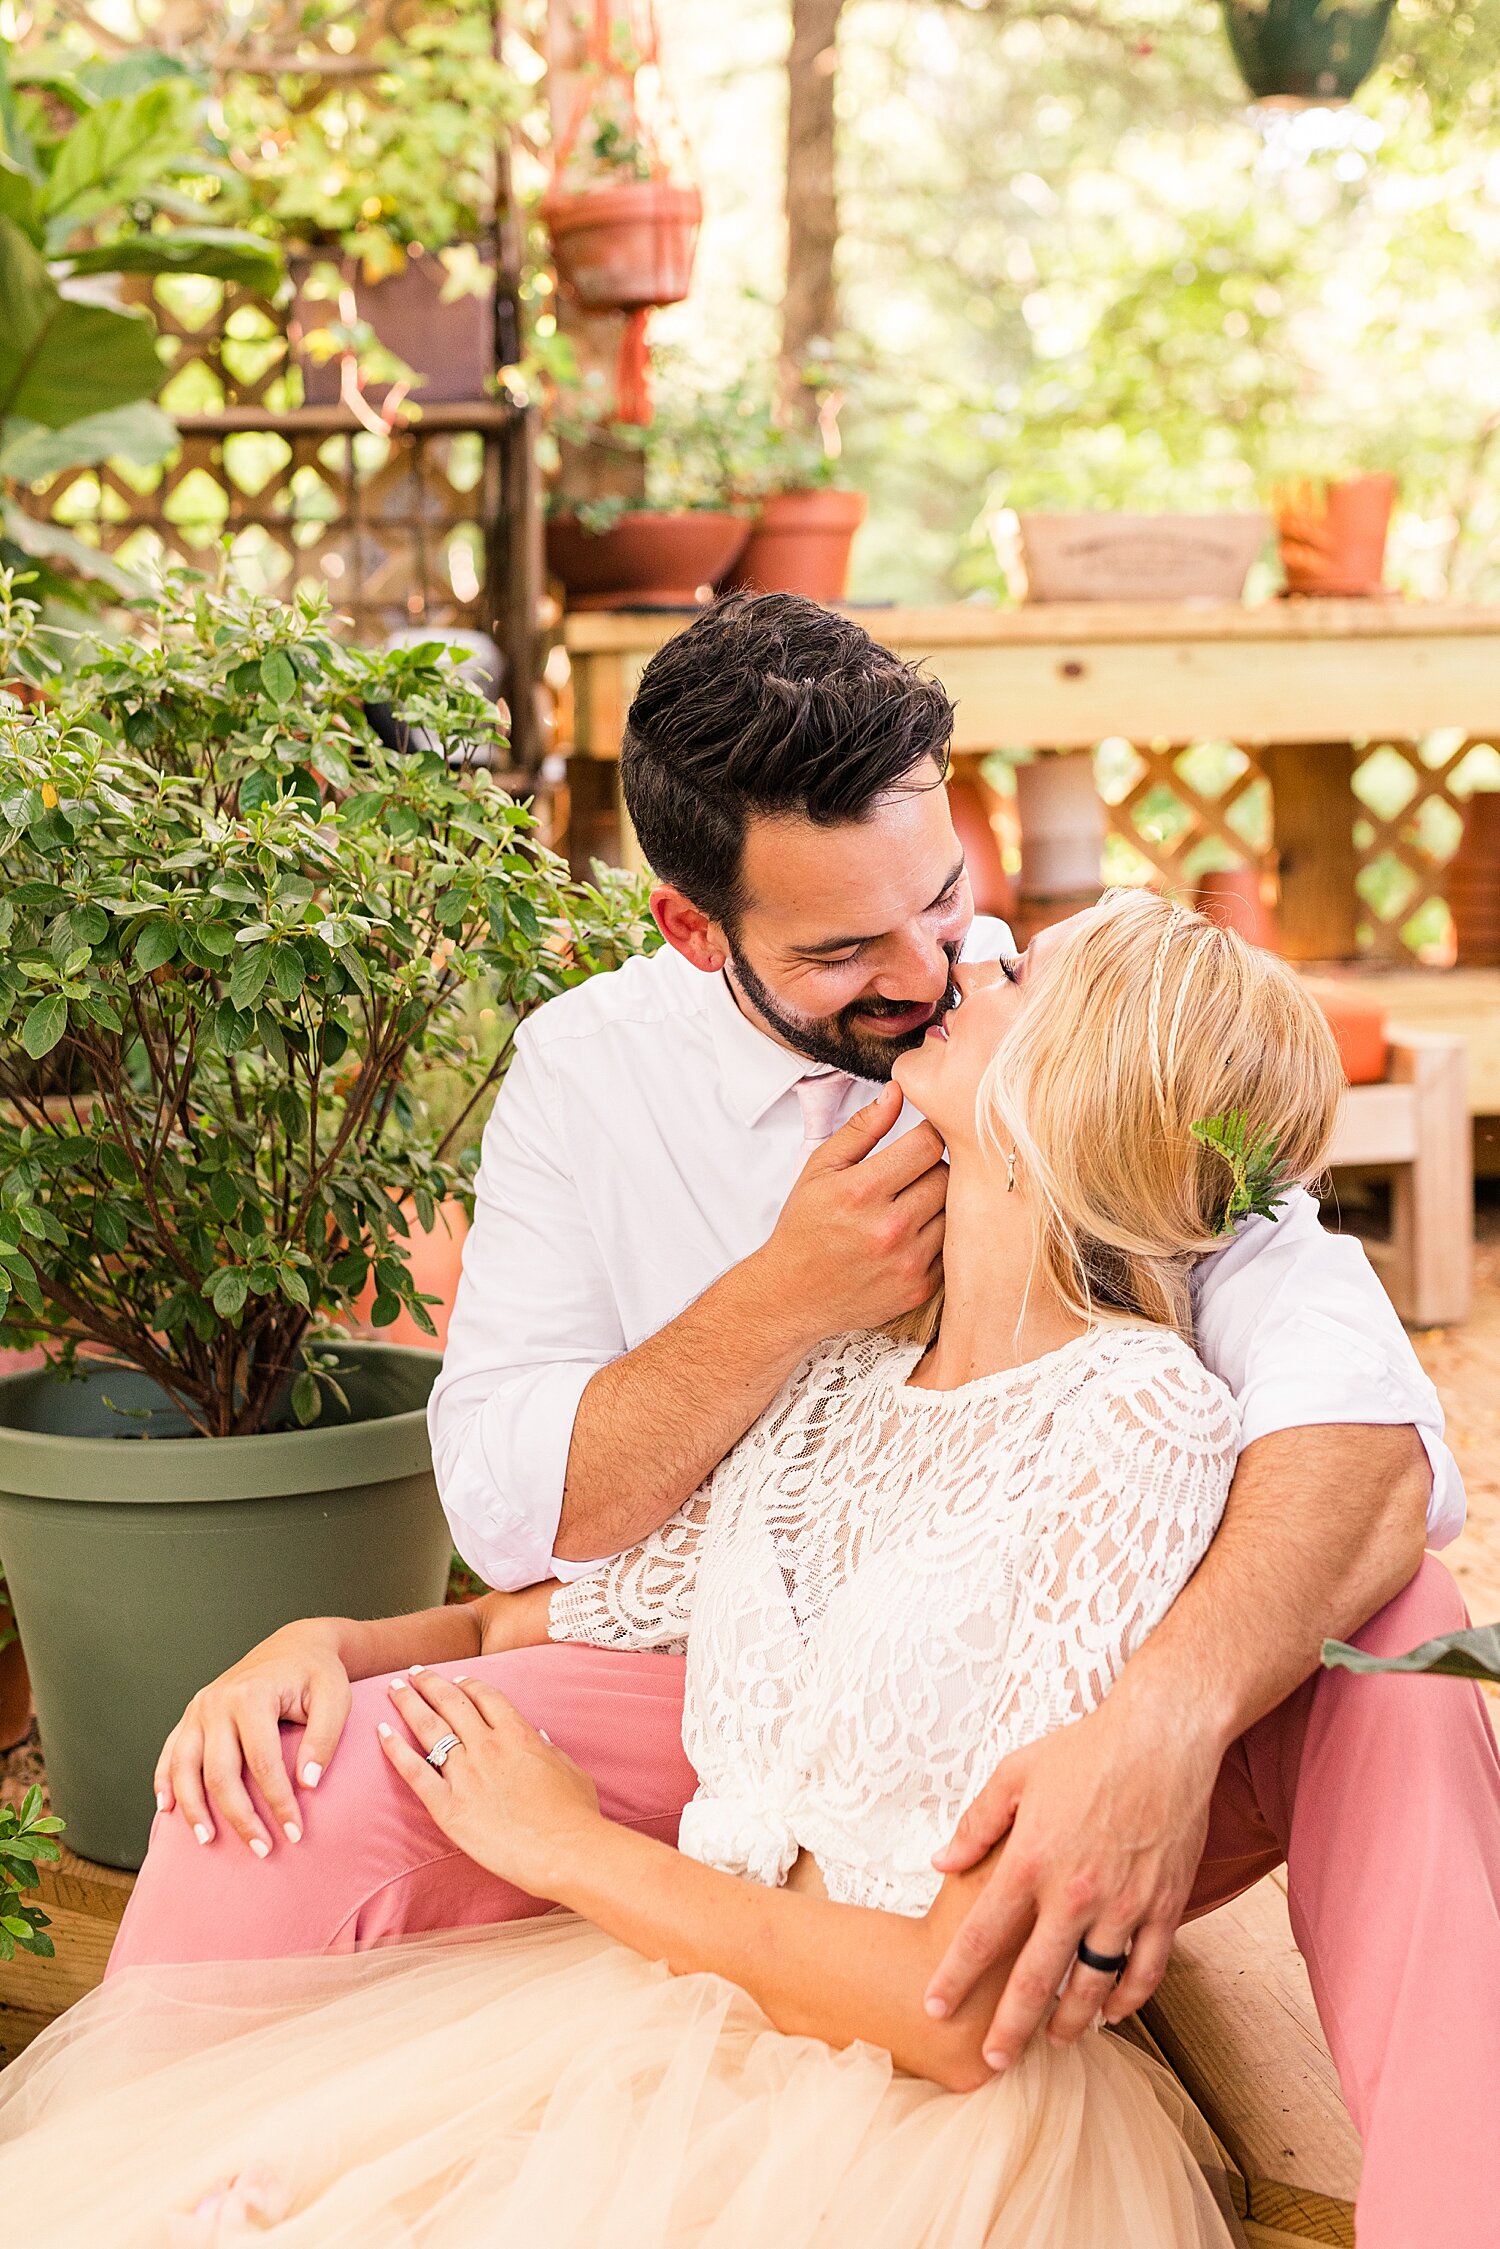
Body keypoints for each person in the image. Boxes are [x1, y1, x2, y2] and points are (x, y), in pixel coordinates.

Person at [108, 597, 1500, 2248]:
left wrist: (1155, 1732)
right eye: (846, 952)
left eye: (945, 903)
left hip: (1058, 1715)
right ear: (698, 932)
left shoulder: (1089, 1052)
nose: (927, 976)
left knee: (1394, 1637)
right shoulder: (593, 1077)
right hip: (747, 1660)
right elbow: (518, 1522)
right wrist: (781, 1299)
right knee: (278, 1779)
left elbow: (1366, 1433)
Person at [1, 893, 1348, 2245]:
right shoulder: (841, 1384)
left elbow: (957, 1998)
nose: (967, 962)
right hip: (664, 2020)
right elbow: (551, 1613)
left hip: (895, 2131)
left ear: (1081, 1085)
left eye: (1020, 975)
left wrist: (568, 1846)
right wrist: (324, 1641)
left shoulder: (1133, 1419)